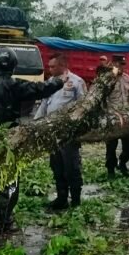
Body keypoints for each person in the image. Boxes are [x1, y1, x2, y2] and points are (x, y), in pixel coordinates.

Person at [0, 47, 65, 238]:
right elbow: (40, 89)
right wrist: (59, 82)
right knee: (9, 183)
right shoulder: (15, 85)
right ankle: (3, 225)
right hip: (10, 140)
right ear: (13, 65)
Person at [34, 53, 87, 210]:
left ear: (62, 65)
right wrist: (36, 125)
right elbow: (44, 105)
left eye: (52, 66)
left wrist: (79, 130)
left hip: (68, 133)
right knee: (57, 166)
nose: (49, 69)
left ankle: (76, 201)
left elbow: (84, 106)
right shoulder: (50, 83)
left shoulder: (77, 82)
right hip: (52, 132)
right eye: (49, 66)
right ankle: (61, 198)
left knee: (71, 167)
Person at [106, 55, 129, 179]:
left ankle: (122, 163)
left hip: (126, 117)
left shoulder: (126, 78)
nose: (121, 66)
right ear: (113, 64)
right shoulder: (108, 79)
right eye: (118, 64)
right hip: (112, 118)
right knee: (111, 147)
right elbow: (102, 99)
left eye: (123, 64)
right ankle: (110, 170)